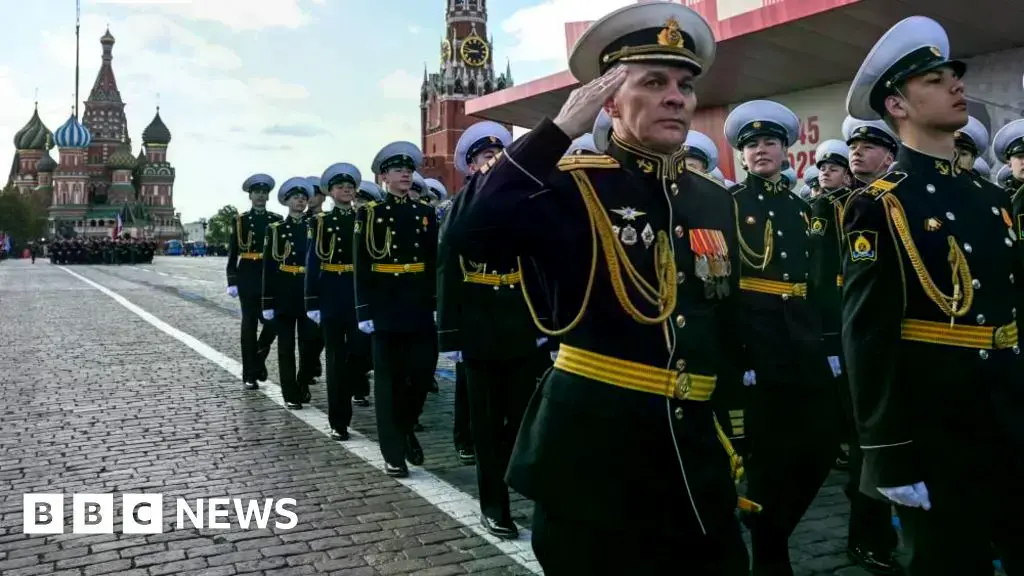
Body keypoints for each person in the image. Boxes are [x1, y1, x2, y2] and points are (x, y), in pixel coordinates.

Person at [441, 3, 750, 573]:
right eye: (653, 82)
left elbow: (721, 323)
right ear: (609, 101)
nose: (676, 96)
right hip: (595, 455)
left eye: (684, 84)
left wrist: (736, 429)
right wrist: (557, 132)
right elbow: (472, 233)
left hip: (695, 458)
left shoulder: (712, 199)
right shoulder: (572, 185)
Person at [842, 16, 1024, 574]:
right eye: (934, 79)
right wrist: (888, 456)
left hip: (1009, 409)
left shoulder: (990, 196)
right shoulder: (881, 204)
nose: (955, 85)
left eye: (954, 75)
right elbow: (868, 337)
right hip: (939, 426)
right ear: (896, 104)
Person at [725, 99, 837, 574]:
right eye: (752, 145)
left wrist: (830, 346)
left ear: (787, 150)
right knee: (769, 458)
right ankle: (772, 559)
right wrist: (738, 352)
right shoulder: (729, 205)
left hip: (804, 340)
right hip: (758, 341)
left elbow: (817, 280)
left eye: (770, 142)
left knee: (822, 445)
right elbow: (722, 285)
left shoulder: (804, 207)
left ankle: (771, 527)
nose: (761, 150)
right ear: (742, 156)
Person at [438, 119, 546, 538]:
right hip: (479, 328)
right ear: (471, 166)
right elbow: (447, 274)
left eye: (500, 155)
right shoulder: (459, 208)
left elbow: (537, 267)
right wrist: (450, 337)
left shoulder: (523, 205)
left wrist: (544, 325)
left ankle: (524, 490)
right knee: (485, 425)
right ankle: (493, 506)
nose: (494, 161)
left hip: (521, 323)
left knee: (522, 419)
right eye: (486, 157)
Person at [353, 141, 438, 478]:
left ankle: (404, 428)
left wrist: (435, 303)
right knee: (388, 382)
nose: (406, 174)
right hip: (385, 304)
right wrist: (364, 310)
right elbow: (362, 264)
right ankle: (393, 452)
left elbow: (433, 262)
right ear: (384, 176)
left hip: (417, 303)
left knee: (420, 375)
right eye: (398, 170)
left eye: (409, 169)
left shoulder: (425, 213)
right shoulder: (369, 214)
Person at [305, 163, 364, 440]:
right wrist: (312, 301)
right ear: (331, 192)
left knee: (358, 354)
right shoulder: (320, 223)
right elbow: (313, 261)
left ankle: (351, 390)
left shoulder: (364, 219)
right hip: (330, 294)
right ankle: (338, 420)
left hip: (357, 294)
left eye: (350, 187)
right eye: (341, 187)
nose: (346, 190)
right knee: (335, 359)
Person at [262, 177, 316, 409]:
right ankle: (289, 393)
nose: (300, 201)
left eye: (303, 198)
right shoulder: (275, 229)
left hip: (307, 291)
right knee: (285, 348)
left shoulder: (315, 226)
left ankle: (302, 382)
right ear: (287, 201)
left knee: (310, 346)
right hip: (284, 291)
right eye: (296, 197)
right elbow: (269, 267)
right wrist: (267, 301)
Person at [227, 173, 282, 390]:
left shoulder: (276, 220)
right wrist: (232, 279)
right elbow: (233, 252)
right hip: (248, 274)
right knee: (249, 325)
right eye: (257, 192)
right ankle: (249, 373)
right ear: (250, 195)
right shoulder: (240, 220)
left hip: (270, 274)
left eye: (264, 193)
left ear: (268, 196)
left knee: (273, 322)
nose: (260, 196)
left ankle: (258, 357)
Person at [842, 116, 899, 188]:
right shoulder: (846, 197)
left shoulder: (904, 192)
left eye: (867, 147)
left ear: (889, 159)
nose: (856, 152)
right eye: (853, 148)